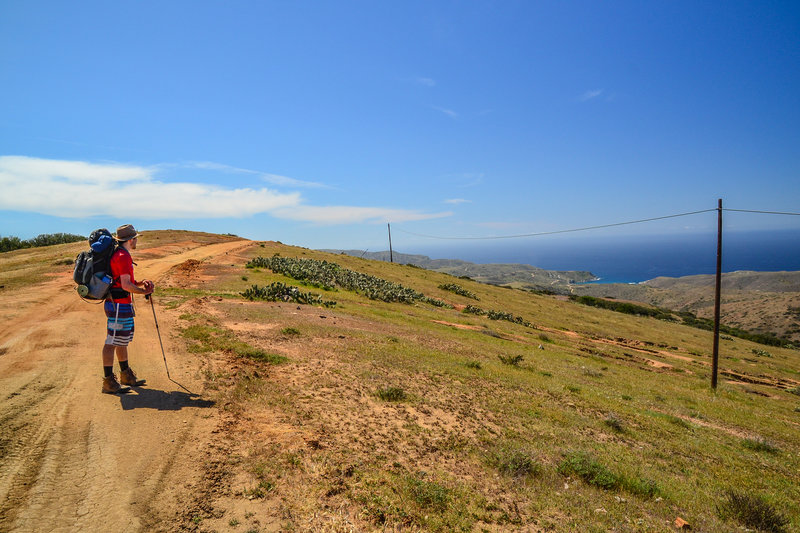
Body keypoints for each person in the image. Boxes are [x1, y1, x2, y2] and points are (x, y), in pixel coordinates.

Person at [101, 224, 155, 394]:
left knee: (120, 341)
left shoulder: (120, 254)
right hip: (118, 305)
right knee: (111, 342)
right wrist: (143, 291)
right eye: (136, 238)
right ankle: (108, 382)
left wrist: (139, 283)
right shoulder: (123, 256)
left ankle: (125, 376)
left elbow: (123, 280)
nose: (137, 241)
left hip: (119, 304)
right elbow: (125, 285)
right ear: (131, 240)